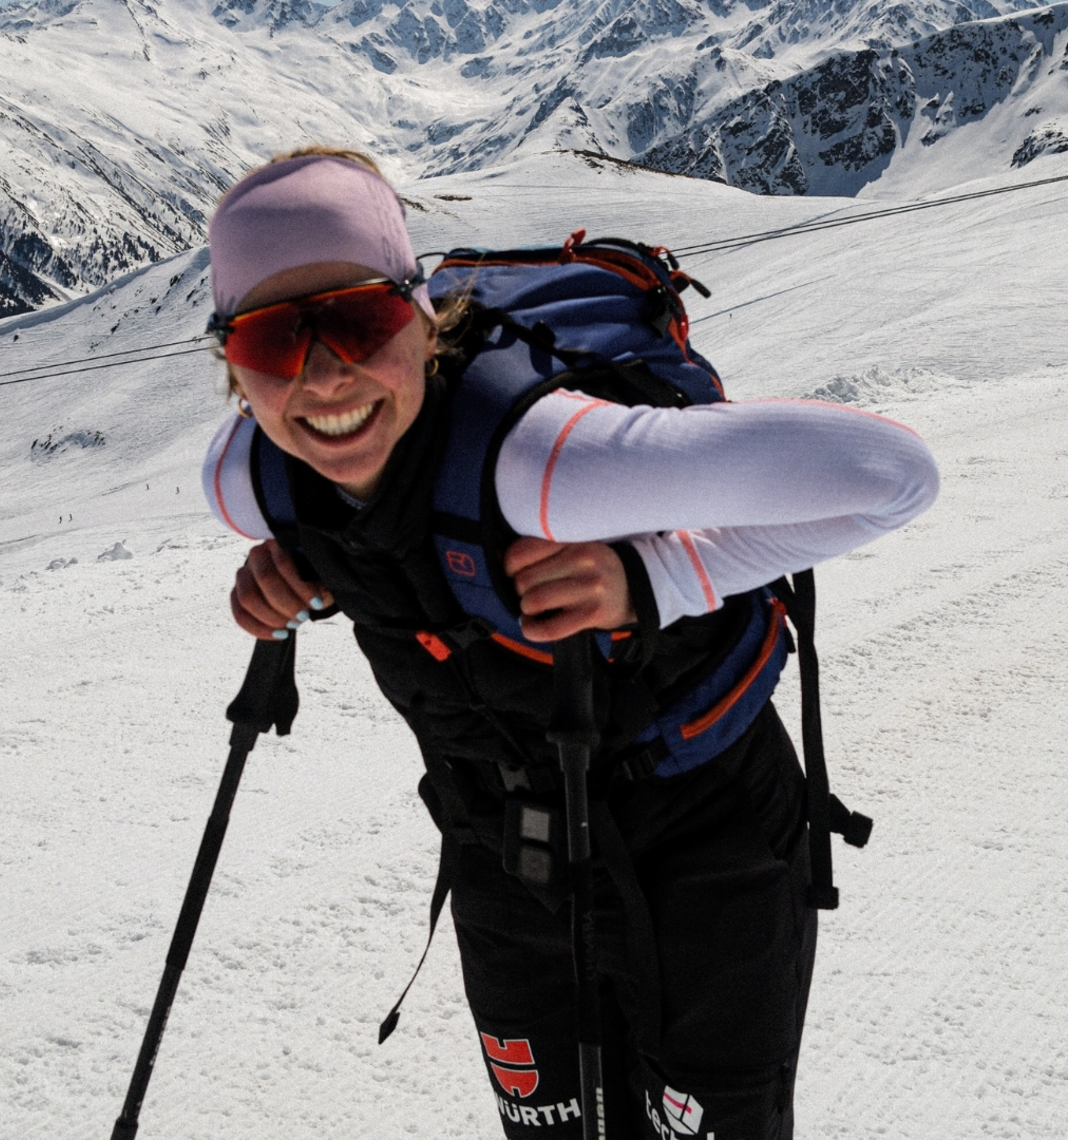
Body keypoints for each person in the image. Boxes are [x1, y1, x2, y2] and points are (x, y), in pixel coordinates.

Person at [201, 146, 939, 1140]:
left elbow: (895, 473)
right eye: (271, 338)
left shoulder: (547, 466)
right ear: (233, 368)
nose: (323, 373)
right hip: (504, 847)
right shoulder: (251, 485)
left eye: (360, 319)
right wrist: (296, 562)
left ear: (419, 318)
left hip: (703, 839)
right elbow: (369, 525)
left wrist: (658, 577)